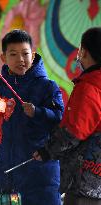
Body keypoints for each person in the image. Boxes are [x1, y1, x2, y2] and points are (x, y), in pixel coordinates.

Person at [0, 29, 64, 205]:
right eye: (13, 54)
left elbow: (60, 120)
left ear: (32, 55)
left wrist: (38, 112)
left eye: (25, 54)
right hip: (6, 174)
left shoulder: (48, 87)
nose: (20, 59)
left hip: (40, 173)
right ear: (4, 58)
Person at [33, 27, 101, 205]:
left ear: (84, 52)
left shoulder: (89, 87)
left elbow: (74, 132)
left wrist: (47, 150)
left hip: (85, 182)